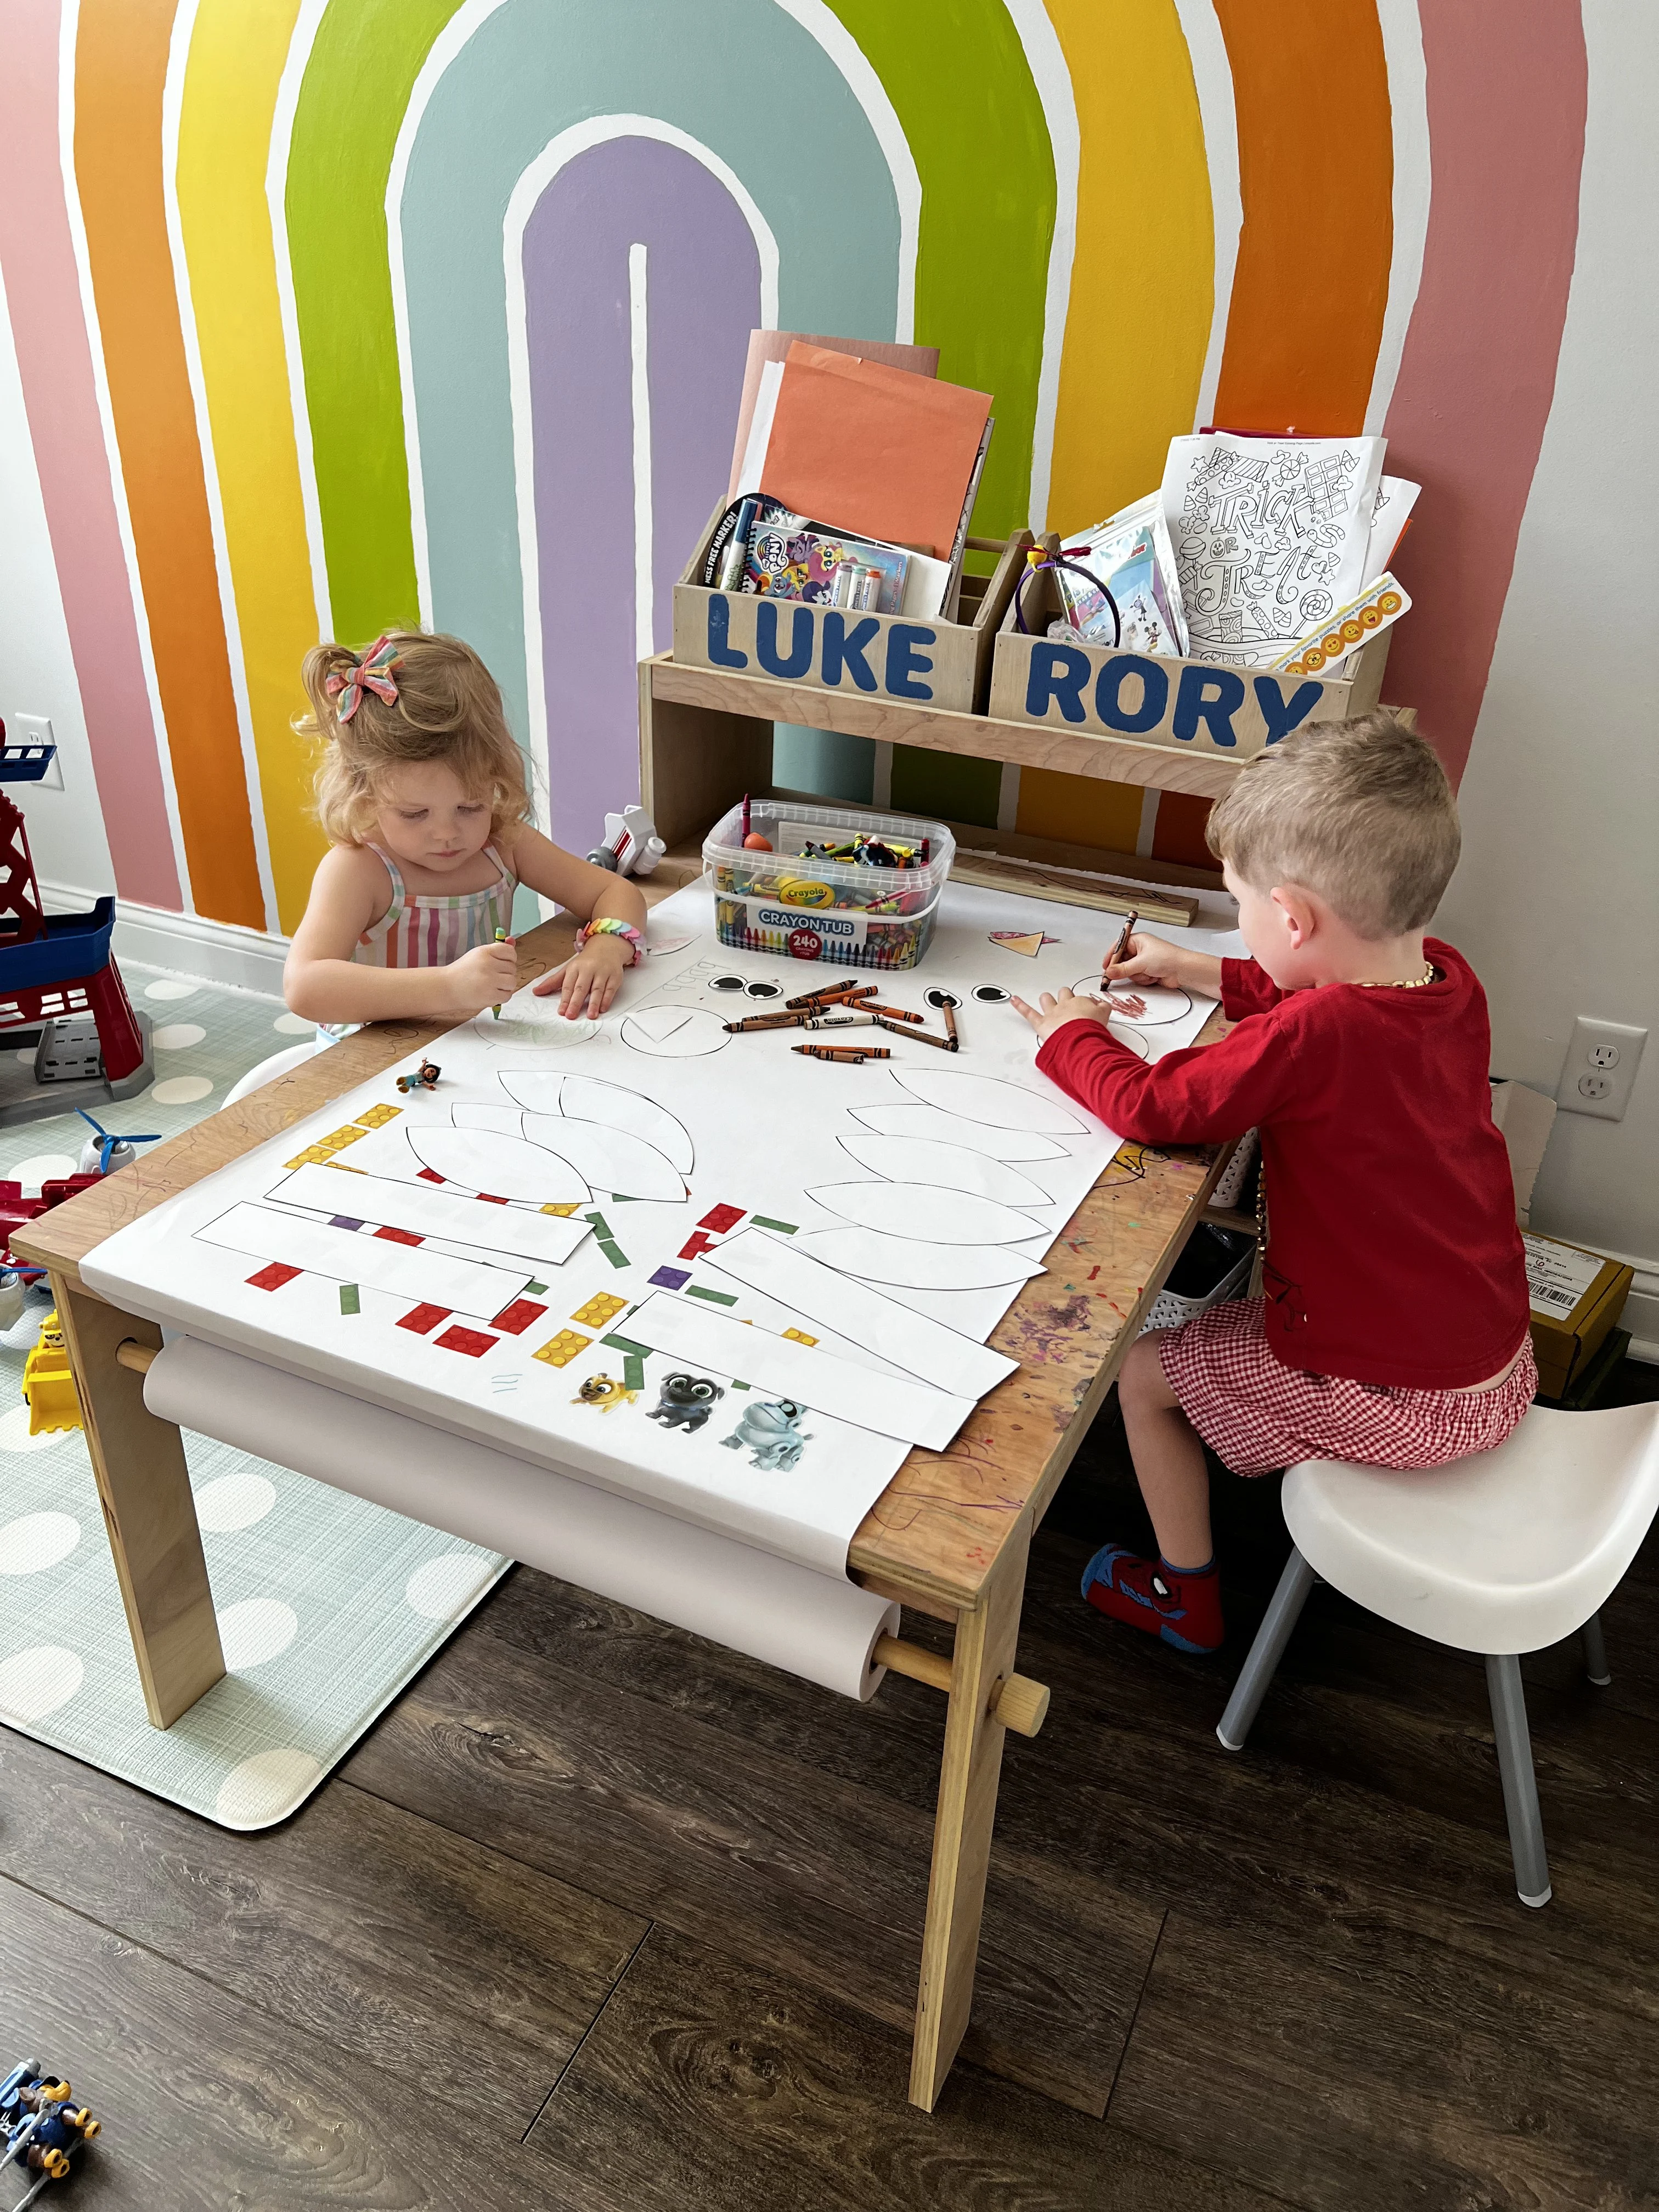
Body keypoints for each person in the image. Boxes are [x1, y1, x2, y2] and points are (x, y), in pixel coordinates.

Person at [1012, 712, 1534, 1655]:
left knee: (1140, 1375)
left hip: (1402, 1398)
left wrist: (1067, 1036)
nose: (1243, 928)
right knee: (1186, 1333)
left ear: (1289, 917)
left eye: (1239, 908)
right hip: (1491, 1360)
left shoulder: (1314, 1037)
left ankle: (1185, 1600)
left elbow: (1154, 1106)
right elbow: (1321, 991)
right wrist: (1193, 966)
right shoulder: (1445, 980)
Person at [284, 631, 647, 1035]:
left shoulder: (503, 843)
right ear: (364, 794)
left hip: (473, 1046)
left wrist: (607, 948)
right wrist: (448, 987)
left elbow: (613, 892)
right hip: (372, 1062)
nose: (446, 833)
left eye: (470, 807)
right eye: (414, 813)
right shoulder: (358, 870)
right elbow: (304, 987)